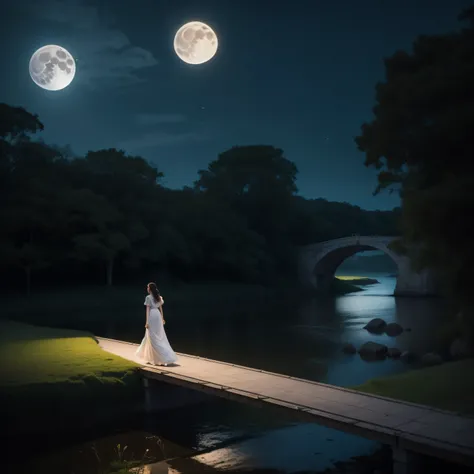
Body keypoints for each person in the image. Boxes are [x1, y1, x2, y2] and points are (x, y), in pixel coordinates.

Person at [136, 282, 178, 366]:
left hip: (152, 315)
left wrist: (147, 322)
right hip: (157, 316)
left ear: (150, 289)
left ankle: (161, 357)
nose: (147, 289)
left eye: (148, 287)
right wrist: (162, 317)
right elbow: (160, 308)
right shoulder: (158, 297)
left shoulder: (148, 297)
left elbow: (147, 310)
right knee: (158, 336)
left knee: (152, 337)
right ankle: (152, 358)